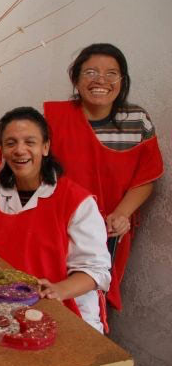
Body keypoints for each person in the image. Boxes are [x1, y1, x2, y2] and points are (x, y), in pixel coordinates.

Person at [0, 107, 111, 333]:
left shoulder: (77, 201)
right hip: (6, 306)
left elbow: (96, 271)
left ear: (45, 147)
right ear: (2, 150)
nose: (19, 150)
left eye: (30, 142)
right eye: (11, 143)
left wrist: (58, 290)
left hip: (63, 311)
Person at [44, 43, 164, 311]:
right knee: (51, 296)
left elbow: (146, 177)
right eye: (90, 72)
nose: (100, 80)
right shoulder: (54, 118)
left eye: (111, 73)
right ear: (75, 79)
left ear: (122, 80)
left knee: (93, 299)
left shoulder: (137, 120)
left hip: (109, 228)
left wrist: (122, 214)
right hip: (58, 224)